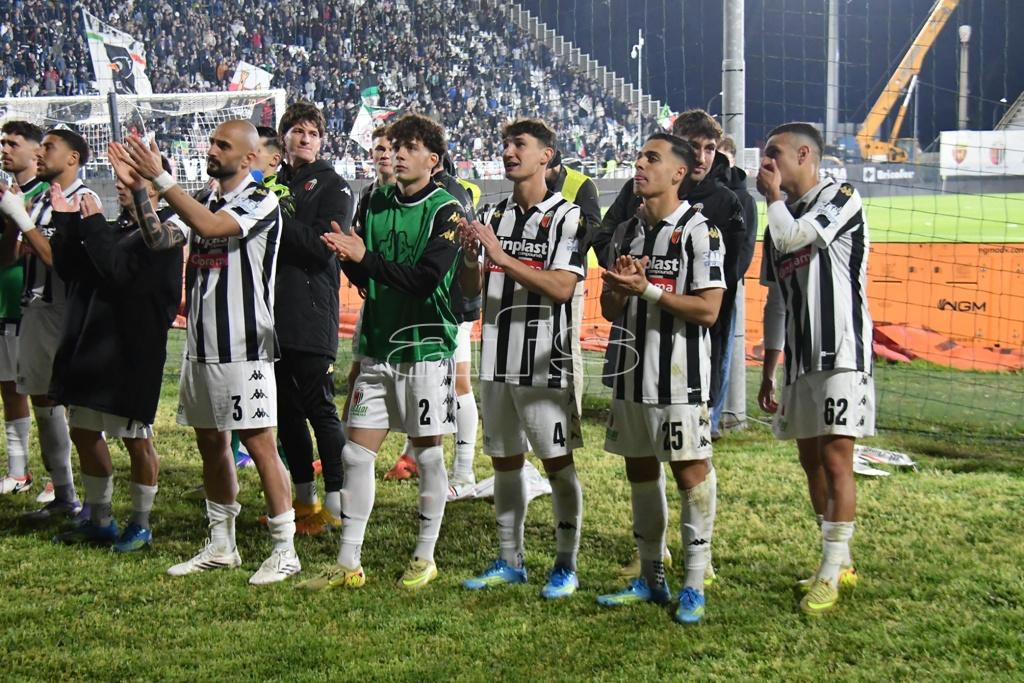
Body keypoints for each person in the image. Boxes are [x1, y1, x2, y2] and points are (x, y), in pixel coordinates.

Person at [113, 120, 300, 585]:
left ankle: (285, 550)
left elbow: (212, 227)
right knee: (211, 443)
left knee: (260, 444)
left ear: (249, 158)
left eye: (223, 145)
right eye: (212, 143)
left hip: (244, 344)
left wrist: (160, 179)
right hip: (201, 345)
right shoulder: (204, 197)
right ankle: (221, 545)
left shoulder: (260, 199)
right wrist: (138, 190)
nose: (212, 150)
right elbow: (161, 239)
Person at [301, 113, 462, 592]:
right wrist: (350, 258)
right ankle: (348, 561)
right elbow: (363, 272)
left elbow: (426, 280)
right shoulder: (374, 201)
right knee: (355, 455)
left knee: (428, 457)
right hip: (378, 345)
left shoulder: (447, 210)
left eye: (409, 147)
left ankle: (425, 555)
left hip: (425, 348)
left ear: (433, 160)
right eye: (395, 146)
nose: (397, 154)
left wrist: (364, 258)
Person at [596, 110, 743, 583]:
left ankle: (698, 575)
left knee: (689, 471)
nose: (639, 165)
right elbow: (609, 309)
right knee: (639, 470)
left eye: (651, 158)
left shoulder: (702, 231)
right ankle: (651, 573)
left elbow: (709, 310)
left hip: (680, 378)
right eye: (639, 157)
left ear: (679, 173)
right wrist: (620, 290)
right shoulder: (627, 231)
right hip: (631, 375)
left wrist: (648, 291)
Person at [459, 118, 585, 600]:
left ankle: (565, 565)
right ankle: (510, 560)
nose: (509, 152)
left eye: (520, 145)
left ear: (546, 156)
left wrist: (501, 256)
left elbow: (562, 287)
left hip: (544, 361)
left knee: (557, 465)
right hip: (496, 357)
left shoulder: (567, 217)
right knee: (505, 463)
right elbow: (473, 289)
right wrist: (471, 258)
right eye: (506, 144)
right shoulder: (493, 214)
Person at [756, 122, 874, 616]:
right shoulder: (779, 217)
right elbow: (777, 301)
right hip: (800, 360)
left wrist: (772, 199)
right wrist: (769, 367)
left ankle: (829, 573)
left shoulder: (840, 197)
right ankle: (838, 561)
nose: (766, 163)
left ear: (805, 155)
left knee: (836, 458)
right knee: (810, 461)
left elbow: (796, 237)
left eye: (774, 153)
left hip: (841, 351)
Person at [48, 154, 182, 551]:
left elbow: (118, 271)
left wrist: (92, 225)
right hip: (92, 344)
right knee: (84, 430)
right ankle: (101, 519)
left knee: (135, 439)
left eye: (133, 176)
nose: (122, 182)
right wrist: (66, 222)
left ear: (156, 185)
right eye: (119, 176)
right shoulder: (115, 227)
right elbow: (72, 270)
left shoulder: (166, 232)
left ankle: (141, 523)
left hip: (132, 350)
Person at [0, 128, 99, 521]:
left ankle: (97, 505)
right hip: (34, 310)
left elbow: (61, 261)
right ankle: (64, 494)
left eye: (48, 147)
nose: (40, 153)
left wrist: (21, 218)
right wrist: (15, 221)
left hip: (64, 313)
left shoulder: (83, 199)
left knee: (78, 411)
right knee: (42, 402)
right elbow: (11, 257)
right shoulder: (39, 199)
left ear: (72, 158)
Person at [269, 103, 352, 536]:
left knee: (320, 407)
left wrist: (274, 215)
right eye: (297, 131)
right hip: (271, 313)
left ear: (321, 141)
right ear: (283, 138)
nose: (304, 138)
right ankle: (305, 500)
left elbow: (323, 246)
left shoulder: (334, 186)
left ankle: (337, 503)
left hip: (312, 312)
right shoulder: (274, 183)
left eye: (312, 133)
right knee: (285, 411)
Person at [383, 152, 482, 504]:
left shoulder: (447, 195)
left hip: (450, 305)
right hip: (436, 305)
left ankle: (464, 472)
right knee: (423, 380)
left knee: (458, 384)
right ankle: (412, 456)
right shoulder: (439, 189)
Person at [0, 121, 46, 496]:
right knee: (10, 389)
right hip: (5, 304)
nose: (4, 149)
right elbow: (6, 256)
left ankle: (58, 479)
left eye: (13, 143)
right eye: (2, 142)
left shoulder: (50, 192)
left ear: (36, 151)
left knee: (48, 395)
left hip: (38, 307)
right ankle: (18, 472)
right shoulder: (6, 196)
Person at [545, 149, 600, 417]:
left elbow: (593, 227)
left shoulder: (581, 184)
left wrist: (563, 248)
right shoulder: (533, 182)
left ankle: (571, 411)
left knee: (566, 344)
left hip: (568, 277)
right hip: (535, 274)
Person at [712, 136, 759, 435]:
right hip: (695, 289)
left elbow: (745, 250)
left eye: (723, 159)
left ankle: (712, 418)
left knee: (722, 353)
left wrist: (724, 281)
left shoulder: (744, 200)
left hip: (726, 289)